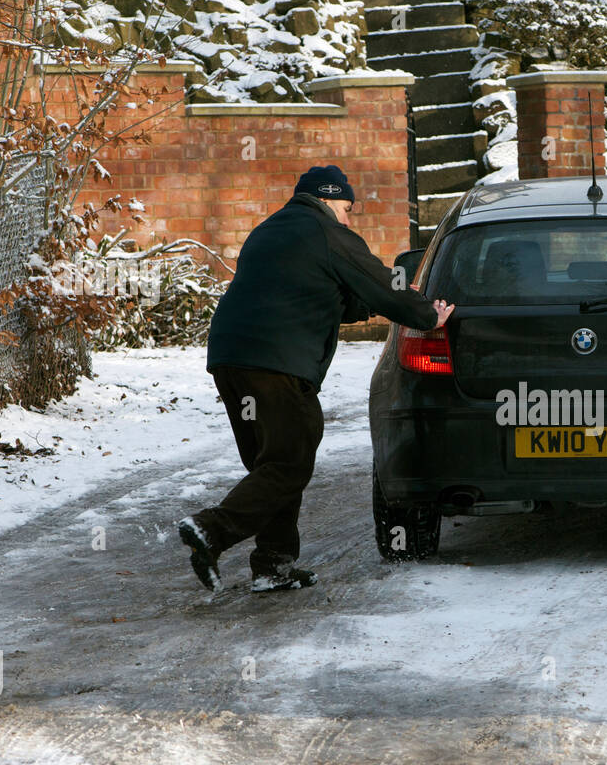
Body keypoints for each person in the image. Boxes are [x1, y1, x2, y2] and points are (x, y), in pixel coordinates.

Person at [178, 165, 454, 592]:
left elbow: (323, 295)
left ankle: (273, 565)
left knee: (272, 464)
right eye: (347, 208)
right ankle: (211, 529)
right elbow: (381, 284)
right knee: (290, 463)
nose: (350, 218)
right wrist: (425, 314)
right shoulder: (327, 233)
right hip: (277, 364)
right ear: (327, 199)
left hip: (230, 359)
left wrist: (362, 306)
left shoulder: (270, 230)